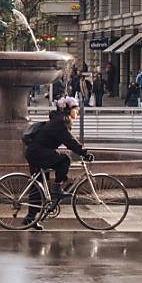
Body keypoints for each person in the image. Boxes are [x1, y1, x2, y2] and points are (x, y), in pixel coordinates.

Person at [23, 96, 94, 230]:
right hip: (38, 153)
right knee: (65, 159)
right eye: (75, 109)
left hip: (36, 152)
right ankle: (57, 188)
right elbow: (69, 142)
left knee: (38, 187)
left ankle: (30, 218)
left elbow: (69, 140)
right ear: (67, 109)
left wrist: (81, 151)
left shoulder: (59, 120)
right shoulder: (60, 122)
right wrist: (84, 153)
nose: (77, 112)